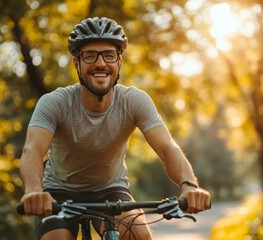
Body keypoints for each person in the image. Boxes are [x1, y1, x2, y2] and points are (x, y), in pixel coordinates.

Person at [19, 16, 211, 240]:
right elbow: (32, 150)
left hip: (110, 189)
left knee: (137, 233)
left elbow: (167, 147)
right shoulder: (55, 102)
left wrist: (189, 186)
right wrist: (34, 191)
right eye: (90, 55)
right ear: (77, 63)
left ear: (119, 63)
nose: (100, 63)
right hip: (59, 191)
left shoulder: (134, 101)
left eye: (109, 55)